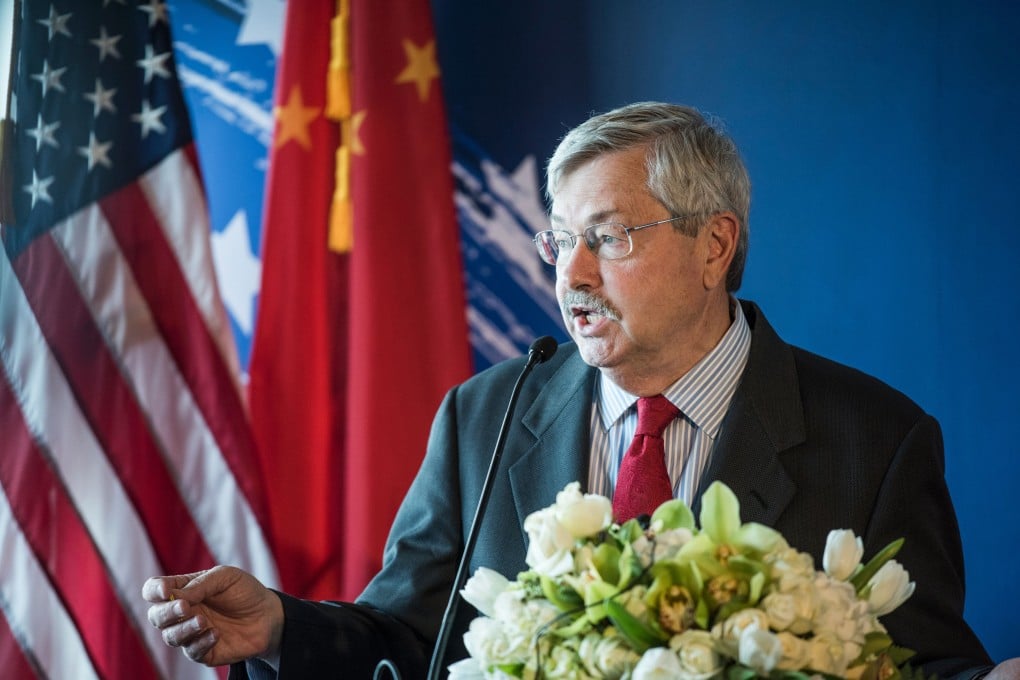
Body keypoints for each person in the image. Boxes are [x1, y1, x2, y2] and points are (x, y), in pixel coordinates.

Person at [145, 102, 1018, 679]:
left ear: (714, 246)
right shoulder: (486, 416)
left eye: (608, 237)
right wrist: (283, 630)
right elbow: (410, 637)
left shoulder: (875, 438)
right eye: (559, 240)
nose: (573, 275)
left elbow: (919, 660)